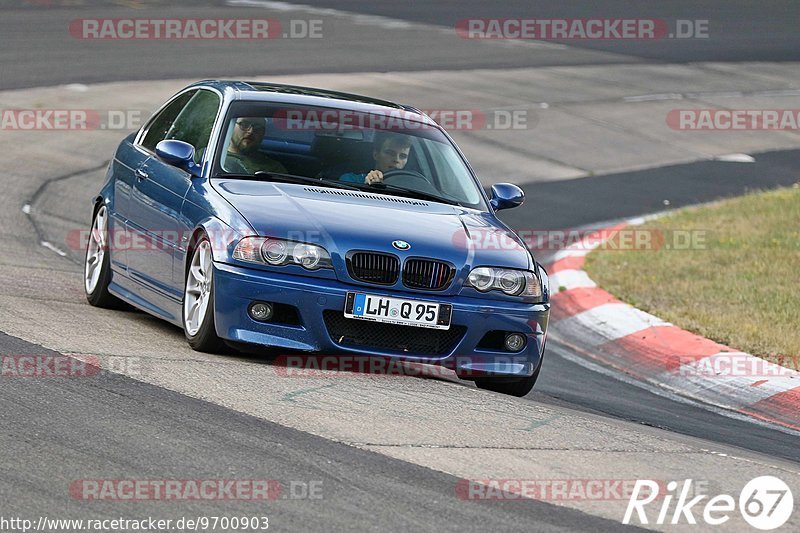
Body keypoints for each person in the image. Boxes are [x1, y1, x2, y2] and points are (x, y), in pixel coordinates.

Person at [339, 132, 412, 185]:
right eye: (390, 153)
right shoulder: (351, 180)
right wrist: (368, 187)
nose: (396, 160)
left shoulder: (412, 188)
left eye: (403, 156)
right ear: (376, 154)